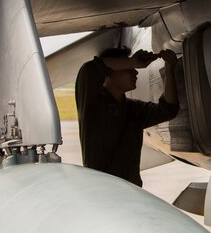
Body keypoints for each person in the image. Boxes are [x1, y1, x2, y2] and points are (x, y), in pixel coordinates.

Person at [74, 46, 179, 186]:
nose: (135, 72)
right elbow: (89, 70)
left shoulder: (133, 109)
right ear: (109, 73)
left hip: (131, 192)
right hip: (102, 192)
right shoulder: (93, 105)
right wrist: (133, 61)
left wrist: (169, 70)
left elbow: (168, 110)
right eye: (128, 68)